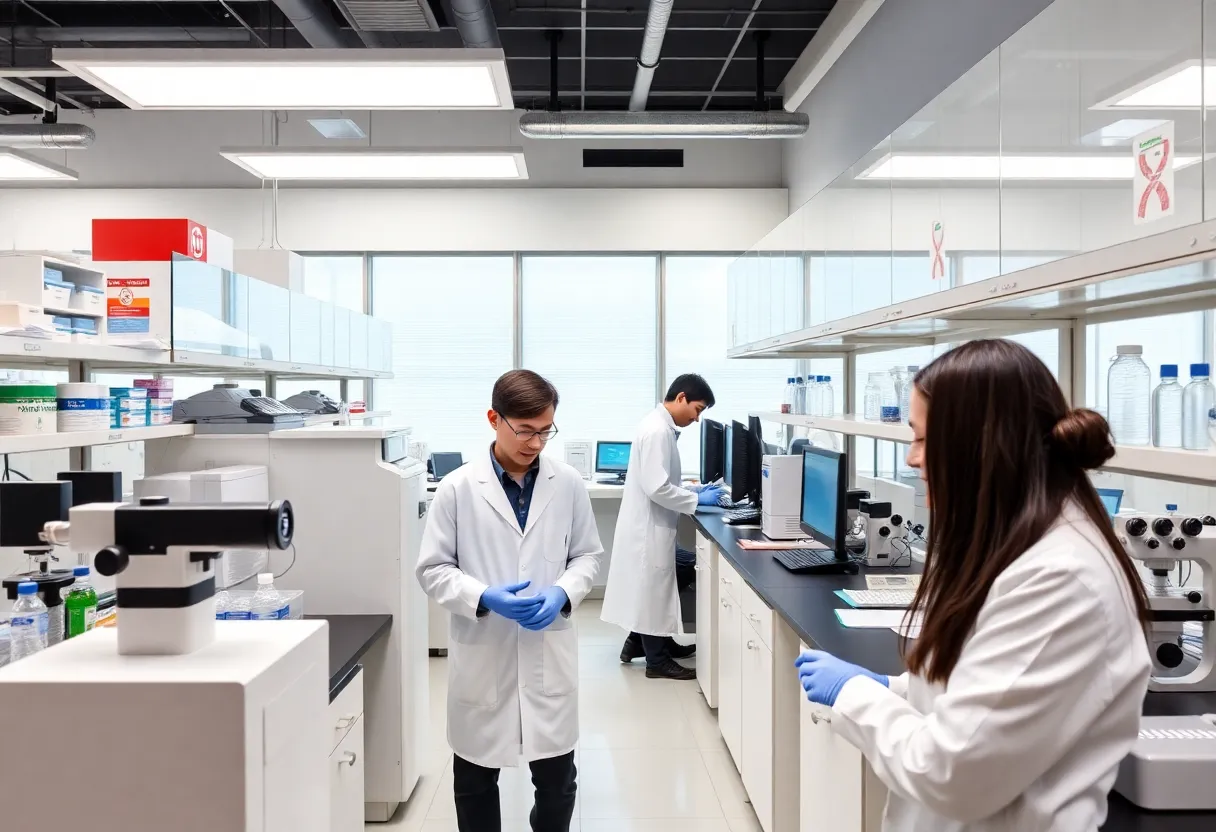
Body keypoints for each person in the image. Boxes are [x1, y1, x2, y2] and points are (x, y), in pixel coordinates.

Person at [794, 339, 1151, 831]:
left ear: (977, 445)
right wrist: (897, 691)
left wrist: (854, 693)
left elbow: (948, 772)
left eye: (921, 439)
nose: (912, 460)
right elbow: (985, 697)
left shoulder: (1062, 580)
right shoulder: (1021, 547)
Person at [416, 369, 602, 832]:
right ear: (493, 419)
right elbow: (431, 569)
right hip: (484, 653)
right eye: (525, 431)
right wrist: (482, 596)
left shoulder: (569, 483)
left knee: (558, 788)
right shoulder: (458, 488)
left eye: (545, 431)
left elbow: (587, 557)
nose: (536, 443)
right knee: (475, 786)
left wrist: (564, 591)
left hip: (547, 654)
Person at [601, 373, 724, 681]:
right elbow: (658, 488)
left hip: (650, 526)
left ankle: (640, 642)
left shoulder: (659, 427)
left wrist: (694, 491)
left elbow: (662, 481)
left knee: (660, 582)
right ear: (681, 398)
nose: (697, 419)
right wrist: (697, 501)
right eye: (697, 409)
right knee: (654, 589)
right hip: (648, 530)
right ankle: (657, 661)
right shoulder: (657, 431)